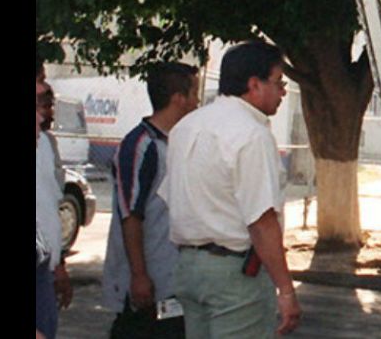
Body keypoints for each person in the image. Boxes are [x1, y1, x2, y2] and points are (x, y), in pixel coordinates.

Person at [158, 41, 301, 338]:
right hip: (235, 274)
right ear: (254, 84)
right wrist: (286, 289)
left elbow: (172, 198)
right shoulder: (252, 134)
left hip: (188, 267)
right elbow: (261, 222)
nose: (283, 92)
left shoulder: (186, 127)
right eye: (278, 82)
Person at [102, 62, 200, 339]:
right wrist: (139, 274)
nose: (197, 102)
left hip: (175, 280)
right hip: (146, 283)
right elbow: (130, 215)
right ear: (178, 99)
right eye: (194, 94)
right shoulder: (140, 145)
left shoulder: (180, 142)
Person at [36, 81, 73, 339]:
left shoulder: (46, 145)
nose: (44, 115)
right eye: (41, 103)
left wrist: (58, 263)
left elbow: (48, 208)